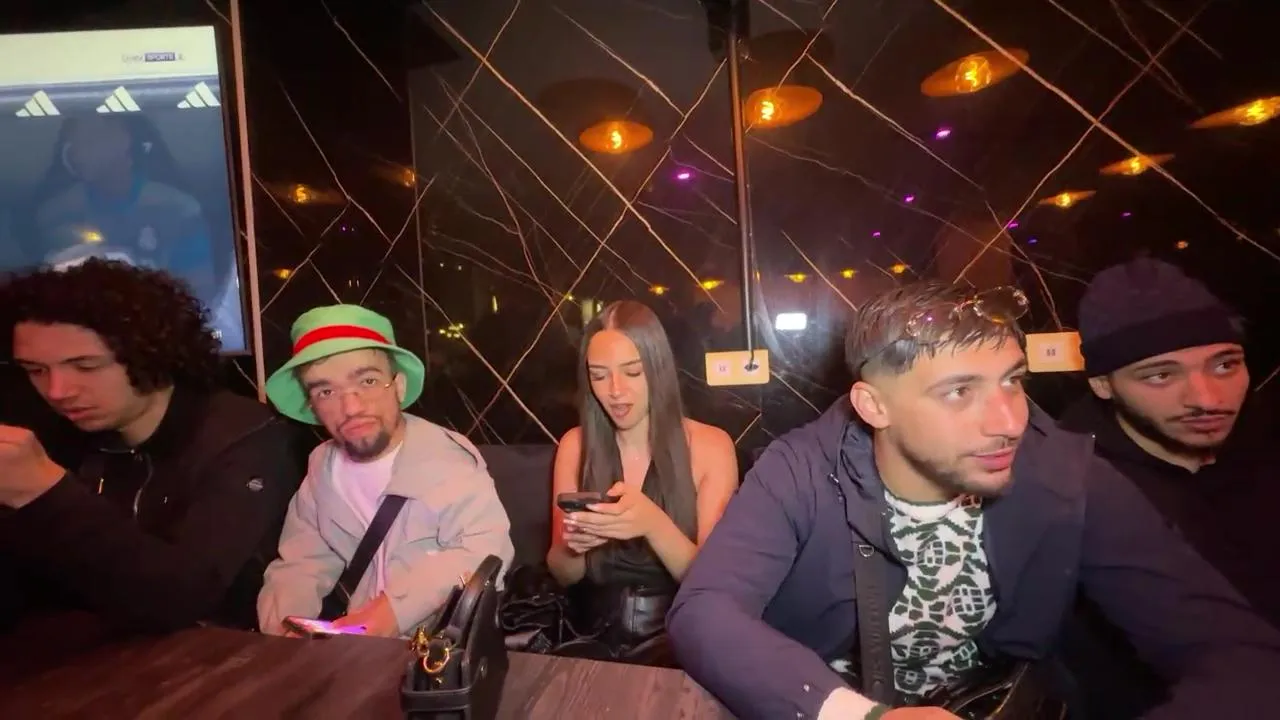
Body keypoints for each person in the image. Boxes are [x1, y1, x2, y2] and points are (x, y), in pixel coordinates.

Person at [666, 282, 1280, 720]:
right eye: (959, 391)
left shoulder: (1065, 472)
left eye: (1012, 382)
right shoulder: (800, 468)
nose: (1009, 422)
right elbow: (705, 610)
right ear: (874, 407)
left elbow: (1237, 650)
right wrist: (859, 715)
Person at [0, 259, 304, 633]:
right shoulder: (56, 431)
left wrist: (47, 492)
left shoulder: (243, 436)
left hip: (234, 654)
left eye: (86, 366)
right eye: (35, 370)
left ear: (151, 354)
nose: (57, 391)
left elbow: (185, 596)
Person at [1057, 257, 1279, 718]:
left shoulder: (1267, 451)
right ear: (1102, 384)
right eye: (1161, 374)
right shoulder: (1069, 495)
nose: (1207, 399)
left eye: (1225, 365)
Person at [256, 304, 515, 639]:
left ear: (399, 386)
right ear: (312, 405)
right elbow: (301, 563)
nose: (351, 408)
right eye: (326, 392)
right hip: (352, 651)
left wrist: (393, 610)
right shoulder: (322, 467)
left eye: (368, 381)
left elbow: (486, 552)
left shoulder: (447, 460)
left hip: (432, 652)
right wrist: (286, 630)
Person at [544, 300, 738, 665]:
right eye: (599, 376)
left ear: (657, 368)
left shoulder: (711, 447)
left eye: (632, 372)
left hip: (678, 638)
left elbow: (713, 586)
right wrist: (573, 547)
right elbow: (563, 574)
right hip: (590, 639)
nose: (615, 391)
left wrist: (652, 524)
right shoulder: (574, 445)